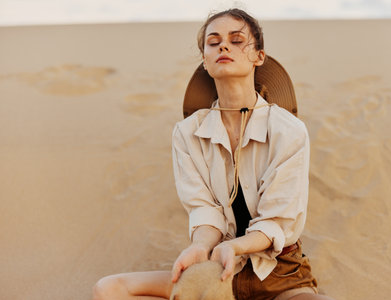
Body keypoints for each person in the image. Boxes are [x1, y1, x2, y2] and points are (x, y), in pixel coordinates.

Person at [92, 8, 334, 300]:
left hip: (278, 273)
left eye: (237, 40)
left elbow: (277, 221)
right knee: (109, 289)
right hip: (217, 270)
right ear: (205, 61)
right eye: (213, 41)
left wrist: (236, 247)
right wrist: (200, 246)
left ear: (259, 56)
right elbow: (203, 211)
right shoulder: (187, 133)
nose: (223, 46)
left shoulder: (288, 130)